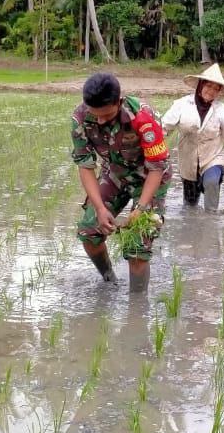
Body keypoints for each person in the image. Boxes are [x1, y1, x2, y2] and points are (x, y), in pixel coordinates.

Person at [71, 73, 170, 292]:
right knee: (89, 232)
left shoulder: (143, 117)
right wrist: (99, 208)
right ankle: (110, 283)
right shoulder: (79, 119)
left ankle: (136, 307)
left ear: (119, 101)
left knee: (136, 247)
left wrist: (141, 207)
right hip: (114, 172)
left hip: (149, 176)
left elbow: (157, 167)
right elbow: (86, 165)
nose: (100, 121)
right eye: (94, 115)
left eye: (106, 115)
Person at [162, 64, 224, 212]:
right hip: (187, 161)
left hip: (212, 158)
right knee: (190, 206)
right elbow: (163, 128)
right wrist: (148, 147)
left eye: (216, 88)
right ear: (201, 85)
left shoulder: (221, 110)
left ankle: (212, 222)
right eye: (209, 86)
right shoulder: (182, 105)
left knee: (211, 182)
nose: (212, 91)